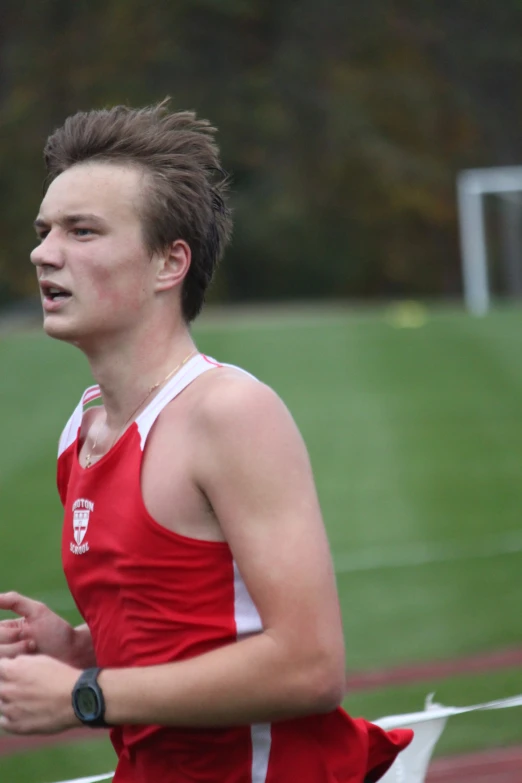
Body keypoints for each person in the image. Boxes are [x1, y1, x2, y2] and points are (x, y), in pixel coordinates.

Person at [0, 101, 412, 782]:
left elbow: (309, 666)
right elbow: (190, 631)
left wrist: (87, 693)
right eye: (45, 230)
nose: (45, 251)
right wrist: (78, 648)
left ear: (170, 262)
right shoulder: (82, 430)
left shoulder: (229, 413)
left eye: (82, 230)